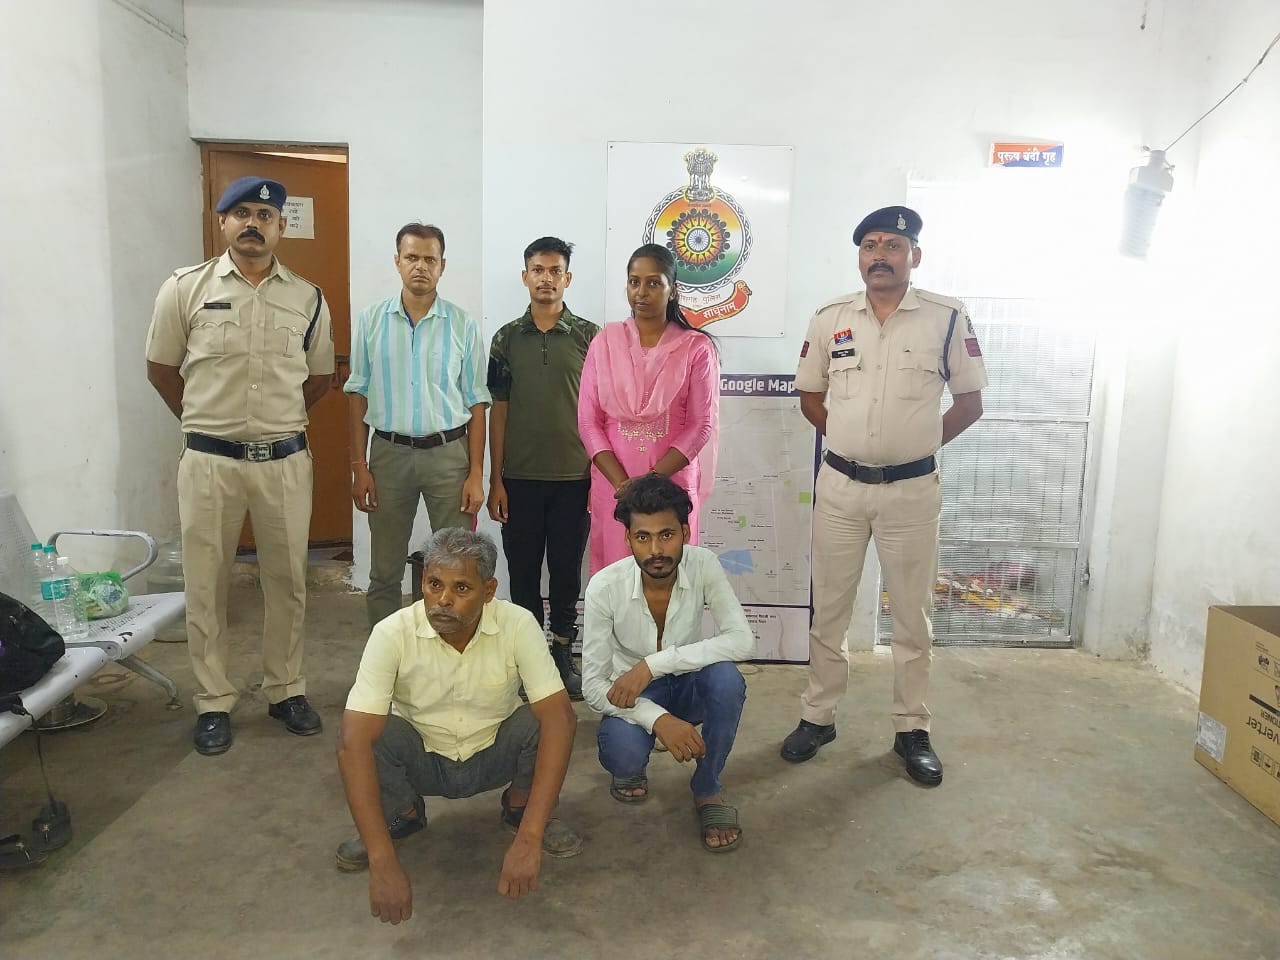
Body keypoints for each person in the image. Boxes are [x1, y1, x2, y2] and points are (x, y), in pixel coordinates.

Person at [780, 206, 988, 785]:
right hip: (841, 488)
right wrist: (852, 444)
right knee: (830, 609)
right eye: (870, 245)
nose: (880, 255)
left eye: (893, 245)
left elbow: (970, 403)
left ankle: (911, 728)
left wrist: (915, 447)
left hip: (912, 493)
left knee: (912, 618)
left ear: (914, 255)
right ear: (860, 257)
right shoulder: (830, 318)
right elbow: (810, 396)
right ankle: (818, 716)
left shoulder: (946, 317)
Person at [144, 176, 334, 755]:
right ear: (223, 221)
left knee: (289, 582)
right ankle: (213, 701)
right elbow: (160, 369)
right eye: (242, 213)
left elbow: (319, 377)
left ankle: (286, 689)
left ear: (280, 227)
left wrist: (274, 423)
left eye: (266, 216)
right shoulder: (184, 288)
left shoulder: (309, 297)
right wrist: (204, 423)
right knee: (206, 585)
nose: (254, 223)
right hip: (209, 463)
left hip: (283, 462)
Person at [335, 528, 582, 924]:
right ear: (423, 582)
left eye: (461, 588)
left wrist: (530, 838)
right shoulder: (391, 633)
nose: (443, 600)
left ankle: (520, 810)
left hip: (494, 752)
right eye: (434, 584)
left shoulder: (518, 625)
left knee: (546, 721)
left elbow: (561, 720)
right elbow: (353, 744)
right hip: (422, 759)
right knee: (366, 734)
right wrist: (382, 861)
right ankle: (402, 813)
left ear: (489, 590)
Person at [581, 474, 754, 852]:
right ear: (627, 539)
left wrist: (653, 665)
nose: (656, 549)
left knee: (726, 680)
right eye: (643, 537)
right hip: (637, 693)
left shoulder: (703, 564)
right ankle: (635, 760)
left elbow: (742, 640)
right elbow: (592, 685)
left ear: (685, 533)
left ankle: (707, 788)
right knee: (623, 756)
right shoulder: (604, 587)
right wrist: (657, 719)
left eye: (667, 535)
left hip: (686, 681)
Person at [345, 223, 491, 629]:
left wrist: (476, 473)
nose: (420, 266)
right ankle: (387, 659)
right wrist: (359, 467)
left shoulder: (462, 325)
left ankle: (455, 652)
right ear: (397, 262)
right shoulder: (371, 321)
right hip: (388, 457)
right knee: (384, 571)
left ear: (442, 266)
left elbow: (478, 402)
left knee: (458, 567)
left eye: (430, 259)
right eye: (412, 257)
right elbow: (356, 394)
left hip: (449, 458)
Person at [487, 237, 599, 699]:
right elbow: (498, 409)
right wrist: (496, 479)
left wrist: (599, 477)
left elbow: (601, 409)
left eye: (555, 271)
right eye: (538, 270)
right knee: (523, 575)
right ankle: (529, 660)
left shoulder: (590, 336)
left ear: (567, 278)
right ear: (525, 276)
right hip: (520, 480)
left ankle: (563, 656)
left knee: (568, 574)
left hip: (575, 478)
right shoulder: (506, 338)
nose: (546, 278)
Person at [576, 243, 720, 575]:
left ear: (673, 290)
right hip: (615, 485)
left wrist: (652, 480)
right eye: (634, 282)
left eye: (654, 283)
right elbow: (588, 421)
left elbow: (700, 425)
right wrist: (624, 485)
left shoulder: (696, 348)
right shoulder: (604, 343)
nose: (641, 292)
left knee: (670, 574)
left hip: (671, 484)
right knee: (618, 577)